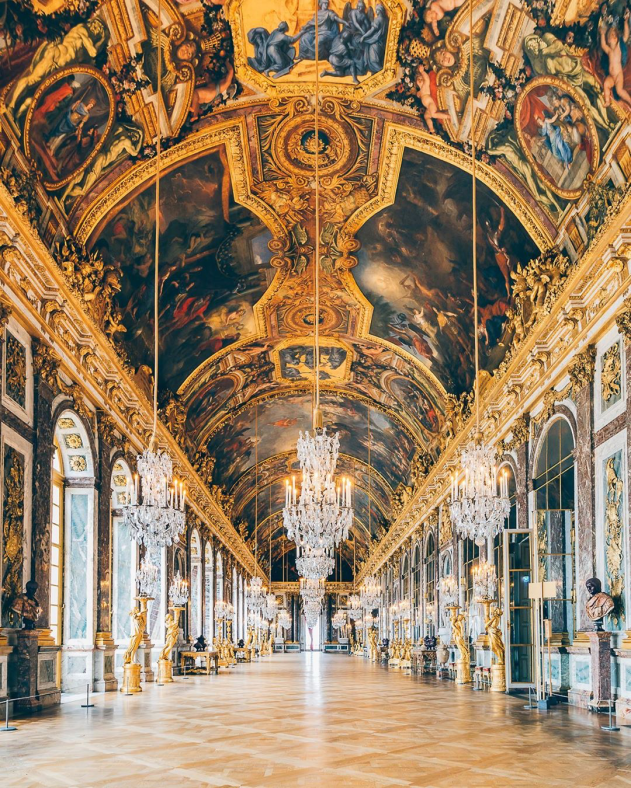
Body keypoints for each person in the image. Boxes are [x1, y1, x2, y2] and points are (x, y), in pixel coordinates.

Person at [599, 11, 631, 110]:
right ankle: (607, 101)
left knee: (619, 91)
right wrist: (602, 34)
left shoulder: (619, 47)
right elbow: (603, 45)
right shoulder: (609, 51)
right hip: (611, 76)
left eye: (613, 35)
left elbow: (626, 35)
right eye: (610, 36)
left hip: (618, 75)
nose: (612, 37)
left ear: (617, 38)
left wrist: (625, 21)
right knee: (606, 84)